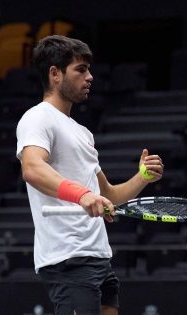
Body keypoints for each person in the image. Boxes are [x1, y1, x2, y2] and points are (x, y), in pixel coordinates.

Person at [16, 35, 164, 315]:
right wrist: (82, 195)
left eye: (89, 70)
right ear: (55, 74)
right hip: (67, 258)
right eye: (80, 70)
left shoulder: (83, 133)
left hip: (98, 255)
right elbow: (32, 169)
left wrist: (142, 177)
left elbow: (107, 195)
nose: (90, 77)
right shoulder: (38, 118)